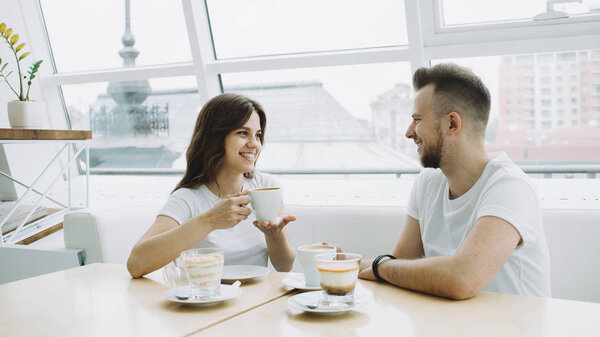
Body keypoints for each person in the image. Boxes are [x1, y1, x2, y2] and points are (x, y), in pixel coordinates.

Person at [358, 63, 551, 300]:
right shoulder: (427, 183)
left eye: (417, 119)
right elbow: (399, 264)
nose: (409, 132)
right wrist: (345, 263)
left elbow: (462, 280)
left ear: (452, 124)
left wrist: (381, 267)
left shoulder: (510, 187)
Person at [127, 93, 296, 278]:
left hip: (256, 298)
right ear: (215, 138)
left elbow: (284, 265)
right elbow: (136, 264)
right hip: (207, 300)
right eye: (242, 133)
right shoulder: (187, 198)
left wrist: (273, 235)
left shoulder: (266, 186)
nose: (254, 144)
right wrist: (210, 220)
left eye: (258, 135)